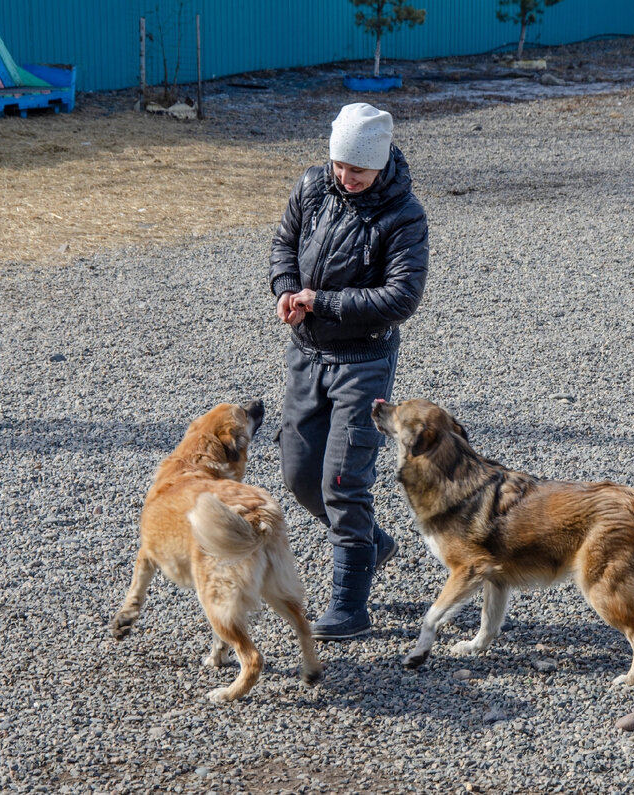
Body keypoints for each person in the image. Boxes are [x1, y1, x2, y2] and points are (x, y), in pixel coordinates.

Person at [268, 102, 429, 640]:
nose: (347, 177)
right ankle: (372, 544)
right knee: (298, 475)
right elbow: (283, 246)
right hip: (306, 354)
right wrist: (286, 290)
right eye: (340, 164)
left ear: (381, 163)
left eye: (358, 169)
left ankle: (349, 606)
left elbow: (401, 296)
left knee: (342, 480)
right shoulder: (314, 187)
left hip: (363, 361)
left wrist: (324, 301)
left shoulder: (403, 215)